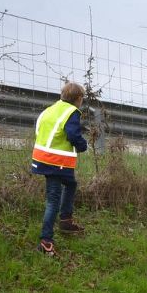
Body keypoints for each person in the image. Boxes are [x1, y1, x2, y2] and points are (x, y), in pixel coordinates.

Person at [31, 82, 89, 256]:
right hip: (56, 162)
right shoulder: (71, 112)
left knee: (71, 184)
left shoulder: (49, 110)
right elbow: (73, 135)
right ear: (78, 99)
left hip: (42, 158)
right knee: (53, 200)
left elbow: (40, 131)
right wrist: (83, 145)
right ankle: (46, 241)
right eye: (82, 99)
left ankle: (65, 220)